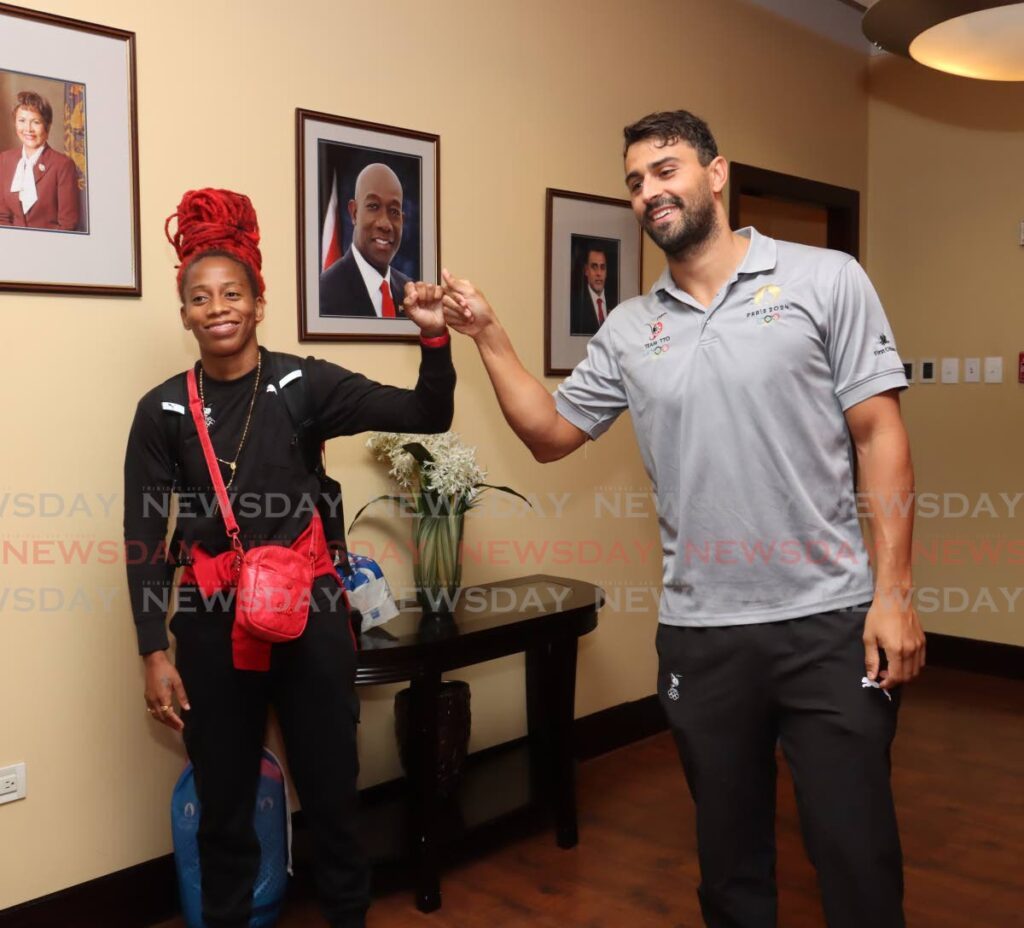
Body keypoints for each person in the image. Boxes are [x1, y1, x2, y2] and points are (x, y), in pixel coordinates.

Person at [440, 110, 924, 928]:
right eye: (634, 181)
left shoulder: (825, 278)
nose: (648, 192)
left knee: (856, 855)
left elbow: (880, 435)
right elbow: (552, 434)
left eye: (665, 169)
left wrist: (895, 593)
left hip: (831, 623)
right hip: (702, 636)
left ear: (716, 173)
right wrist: (488, 336)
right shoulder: (631, 329)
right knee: (729, 867)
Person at [123, 187, 454, 928]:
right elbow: (144, 532)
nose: (217, 308)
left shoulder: (304, 384)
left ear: (259, 300)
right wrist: (153, 649)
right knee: (225, 810)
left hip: (310, 621)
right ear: (184, 313)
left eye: (232, 292)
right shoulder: (162, 411)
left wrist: (433, 339)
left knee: (334, 801)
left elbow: (427, 414)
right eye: (199, 297)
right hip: (211, 628)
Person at [319, 162, 411, 318]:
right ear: (354, 213)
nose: (385, 224)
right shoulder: (324, 292)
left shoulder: (410, 293)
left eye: (394, 211)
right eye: (374, 206)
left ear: (402, 220)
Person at [0, 90, 79, 230]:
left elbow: (68, 224)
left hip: (50, 248)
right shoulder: (5, 160)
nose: (28, 129)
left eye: (36, 122)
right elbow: (2, 217)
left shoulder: (63, 165)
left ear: (47, 126)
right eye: (22, 121)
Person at [569, 244, 614, 335]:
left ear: (606, 272)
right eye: (594, 267)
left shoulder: (616, 303)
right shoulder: (575, 306)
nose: (599, 273)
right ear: (586, 270)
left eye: (602, 267)